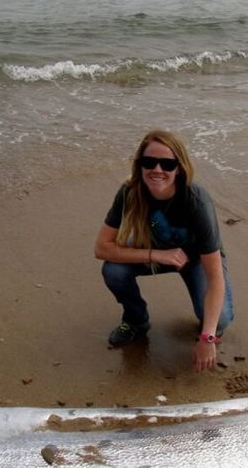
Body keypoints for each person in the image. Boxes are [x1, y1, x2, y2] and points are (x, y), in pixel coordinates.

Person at [94, 129, 235, 372]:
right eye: (149, 162)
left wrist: (207, 338)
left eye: (167, 164)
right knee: (114, 270)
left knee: (218, 319)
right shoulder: (129, 192)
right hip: (157, 254)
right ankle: (136, 320)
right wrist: (155, 255)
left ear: (179, 168)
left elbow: (215, 277)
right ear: (140, 165)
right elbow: (101, 247)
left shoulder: (196, 200)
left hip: (196, 260)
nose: (157, 170)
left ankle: (209, 326)